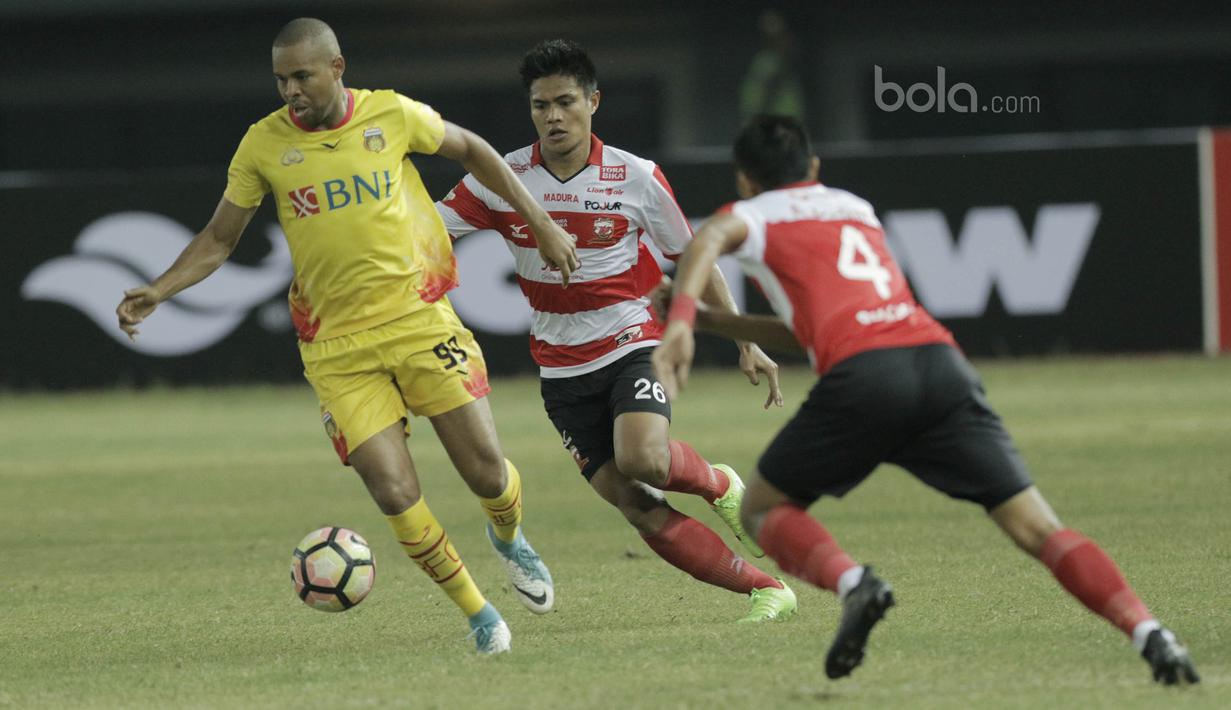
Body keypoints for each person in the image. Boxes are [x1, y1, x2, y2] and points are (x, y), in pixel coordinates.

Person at [652, 115, 1201, 684]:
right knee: (1040, 529)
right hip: (939, 365)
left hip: (866, 378)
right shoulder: (853, 207)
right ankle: (1149, 631)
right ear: (814, 167)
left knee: (761, 509)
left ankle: (853, 584)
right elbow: (811, 331)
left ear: (744, 181)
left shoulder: (748, 214)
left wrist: (683, 323)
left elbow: (709, 241)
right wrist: (716, 322)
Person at [114, 18, 581, 655]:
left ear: (337, 68)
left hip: (421, 320)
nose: (290, 91)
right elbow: (221, 239)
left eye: (302, 76)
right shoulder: (262, 145)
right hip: (336, 349)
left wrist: (542, 225)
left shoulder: (392, 114)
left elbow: (474, 150)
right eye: (281, 79)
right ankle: (479, 615)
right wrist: (159, 289)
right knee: (394, 490)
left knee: (485, 474)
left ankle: (509, 537)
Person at [436, 40, 797, 622]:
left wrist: (744, 340)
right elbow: (427, 231)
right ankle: (765, 590)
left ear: (593, 102)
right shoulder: (500, 179)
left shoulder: (637, 177)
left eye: (565, 102)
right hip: (559, 368)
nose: (553, 116)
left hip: (633, 342)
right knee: (634, 503)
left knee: (644, 460)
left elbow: (693, 258)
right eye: (540, 106)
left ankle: (716, 483)